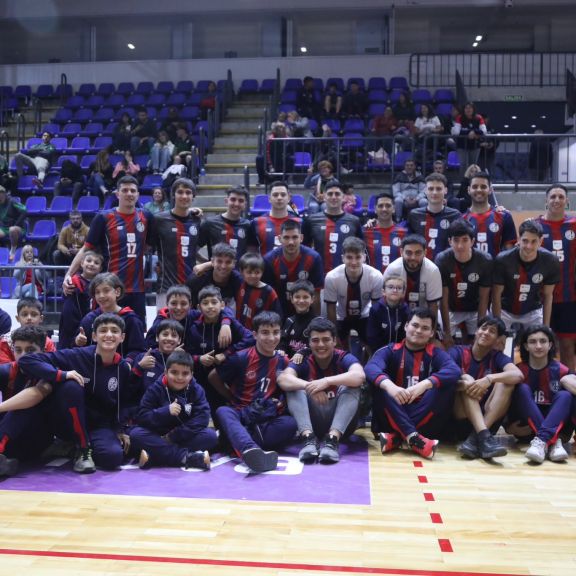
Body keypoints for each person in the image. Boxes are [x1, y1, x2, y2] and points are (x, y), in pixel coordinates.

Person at [18, 313, 137, 472]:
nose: (109, 335)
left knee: (113, 457)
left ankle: (71, 447)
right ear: (94, 336)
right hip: (66, 422)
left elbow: (122, 402)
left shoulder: (122, 368)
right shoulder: (76, 356)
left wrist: (119, 429)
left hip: (97, 426)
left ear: (122, 337)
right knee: (71, 386)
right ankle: (81, 448)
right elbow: (26, 361)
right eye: (103, 331)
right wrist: (62, 374)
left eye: (114, 331)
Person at [365, 307, 460, 458]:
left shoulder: (436, 354)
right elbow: (371, 368)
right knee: (381, 384)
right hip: (391, 413)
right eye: (415, 325)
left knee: (445, 385)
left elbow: (454, 371)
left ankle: (398, 438)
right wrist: (391, 387)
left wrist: (425, 384)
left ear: (431, 334)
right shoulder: (390, 350)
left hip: (424, 417)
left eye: (425, 328)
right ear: (406, 326)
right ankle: (414, 438)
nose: (418, 331)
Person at [210, 312, 297, 473]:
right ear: (255, 334)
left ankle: (236, 440)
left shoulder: (283, 361)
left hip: (264, 419)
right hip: (241, 414)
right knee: (223, 411)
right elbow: (213, 376)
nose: (271, 338)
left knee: (290, 424)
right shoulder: (241, 358)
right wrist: (230, 397)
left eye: (275, 332)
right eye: (265, 332)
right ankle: (249, 448)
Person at [63, 175, 154, 323]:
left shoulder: (147, 216)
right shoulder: (104, 218)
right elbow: (86, 249)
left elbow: (148, 245)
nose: (129, 194)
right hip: (110, 289)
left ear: (138, 194)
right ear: (117, 194)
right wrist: (68, 274)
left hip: (137, 290)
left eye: (133, 190)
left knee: (136, 335)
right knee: (107, 333)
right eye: (125, 190)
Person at [278, 317, 365, 464]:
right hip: (314, 423)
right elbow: (283, 379)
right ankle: (308, 439)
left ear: (334, 341)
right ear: (309, 343)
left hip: (343, 426)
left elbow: (359, 375)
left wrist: (326, 381)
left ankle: (332, 440)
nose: (321, 344)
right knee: (294, 386)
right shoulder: (303, 360)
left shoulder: (343, 357)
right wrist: (309, 386)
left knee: (353, 385)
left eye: (326, 339)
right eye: (315, 340)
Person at [449, 316, 523, 460]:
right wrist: (467, 383)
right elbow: (445, 379)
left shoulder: (498, 357)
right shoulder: (457, 351)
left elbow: (518, 375)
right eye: (483, 328)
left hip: (488, 420)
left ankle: (476, 438)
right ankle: (481, 437)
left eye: (492, 331)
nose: (486, 332)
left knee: (506, 382)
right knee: (467, 381)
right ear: (476, 332)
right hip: (461, 418)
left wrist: (489, 379)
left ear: (497, 339)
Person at [130, 350, 218, 470]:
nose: (179, 377)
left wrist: (173, 437)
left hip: (182, 436)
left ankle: (155, 456)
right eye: (174, 372)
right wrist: (165, 412)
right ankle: (187, 458)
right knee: (135, 435)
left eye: (185, 373)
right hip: (158, 434)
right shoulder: (155, 389)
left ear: (192, 374)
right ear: (166, 372)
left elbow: (202, 418)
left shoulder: (197, 390)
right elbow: (142, 416)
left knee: (210, 436)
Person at [513, 325, 576, 464]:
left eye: (543, 341)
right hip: (527, 429)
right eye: (533, 341)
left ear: (550, 345)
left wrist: (568, 381)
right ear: (526, 346)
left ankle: (542, 440)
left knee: (565, 395)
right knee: (521, 388)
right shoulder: (518, 371)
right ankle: (553, 443)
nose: (538, 345)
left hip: (559, 429)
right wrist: (507, 426)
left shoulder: (562, 370)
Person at [492, 219, 560, 331]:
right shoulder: (503, 260)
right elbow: (496, 295)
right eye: (525, 241)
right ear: (518, 240)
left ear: (541, 241)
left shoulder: (550, 261)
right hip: (505, 310)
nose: (528, 246)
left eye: (534, 241)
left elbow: (548, 296)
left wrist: (546, 327)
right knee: (499, 344)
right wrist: (497, 327)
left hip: (533, 311)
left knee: (538, 343)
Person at [536, 184, 576, 371]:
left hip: (569, 299)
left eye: (561, 197)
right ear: (546, 200)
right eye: (553, 197)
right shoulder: (535, 226)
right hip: (540, 299)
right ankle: (544, 387)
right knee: (541, 347)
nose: (557, 200)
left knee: (567, 347)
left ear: (567, 201)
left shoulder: (574, 225)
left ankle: (571, 392)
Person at [436, 219, 493, 346]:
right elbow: (443, 298)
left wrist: (480, 328)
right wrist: (446, 331)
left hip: (475, 309)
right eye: (456, 240)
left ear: (472, 241)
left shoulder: (485, 260)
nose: (460, 246)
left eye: (465, 240)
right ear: (450, 241)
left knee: (480, 343)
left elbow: (484, 298)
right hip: (450, 309)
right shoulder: (442, 260)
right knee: (442, 343)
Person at [324, 237, 382, 352]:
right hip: (340, 315)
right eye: (349, 257)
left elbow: (376, 309)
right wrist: (335, 338)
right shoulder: (332, 277)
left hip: (365, 315)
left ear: (364, 258)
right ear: (343, 258)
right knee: (334, 347)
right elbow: (330, 309)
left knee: (374, 344)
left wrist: (373, 336)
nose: (354, 262)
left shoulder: (376, 276)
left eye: (358, 257)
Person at [152, 178, 201, 308]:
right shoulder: (159, 219)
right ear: (173, 195)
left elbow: (195, 249)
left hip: (191, 287)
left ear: (193, 196)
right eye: (180, 192)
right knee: (164, 327)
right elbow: (147, 246)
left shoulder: (197, 220)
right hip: (166, 287)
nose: (184, 196)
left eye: (188, 192)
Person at [75, 272, 146, 360]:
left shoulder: (131, 319)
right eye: (97, 292)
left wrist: (127, 364)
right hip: (93, 369)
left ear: (117, 292)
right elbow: (78, 349)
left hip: (122, 370)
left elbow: (138, 350)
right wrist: (78, 342)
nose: (101, 295)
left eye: (106, 290)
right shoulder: (89, 318)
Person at [145, 284, 232, 354]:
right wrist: (168, 352)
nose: (178, 308)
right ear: (167, 303)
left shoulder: (193, 315)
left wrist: (225, 324)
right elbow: (148, 348)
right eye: (174, 303)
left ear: (190, 305)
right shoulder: (159, 323)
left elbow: (224, 310)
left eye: (183, 304)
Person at [263, 220, 324, 317]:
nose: (291, 242)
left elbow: (316, 295)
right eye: (286, 237)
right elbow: (268, 296)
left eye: (295, 237)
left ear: (301, 238)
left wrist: (315, 322)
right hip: (278, 312)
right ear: (279, 239)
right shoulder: (269, 260)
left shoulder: (313, 258)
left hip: (306, 312)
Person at [303, 180, 363, 277]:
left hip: (347, 276)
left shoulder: (354, 221)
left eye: (337, 194)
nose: (334, 197)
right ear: (324, 197)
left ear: (343, 197)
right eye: (330, 194)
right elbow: (304, 249)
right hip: (319, 276)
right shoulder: (311, 220)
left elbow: (361, 250)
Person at [383, 234, 443, 317]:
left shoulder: (433, 270)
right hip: (397, 314)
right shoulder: (392, 269)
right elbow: (385, 299)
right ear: (401, 252)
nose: (413, 257)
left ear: (425, 252)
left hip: (424, 315)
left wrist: (432, 329)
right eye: (408, 253)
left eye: (418, 253)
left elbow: (433, 305)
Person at [407, 173, 461, 260]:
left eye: (439, 189)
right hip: (419, 265)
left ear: (445, 190)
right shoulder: (414, 215)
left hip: (446, 266)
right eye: (431, 189)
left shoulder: (455, 215)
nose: (434, 192)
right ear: (425, 190)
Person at [463, 172, 517, 257]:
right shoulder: (462, 220)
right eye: (475, 187)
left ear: (490, 190)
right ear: (469, 190)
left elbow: (510, 252)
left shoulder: (504, 216)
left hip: (496, 269)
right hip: (470, 270)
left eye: (483, 187)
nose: (479, 190)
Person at [57, 250, 103, 350]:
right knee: (67, 344)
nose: (92, 264)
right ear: (81, 263)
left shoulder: (100, 286)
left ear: (100, 268)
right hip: (70, 319)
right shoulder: (71, 281)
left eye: (96, 263)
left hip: (87, 318)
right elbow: (65, 296)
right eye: (89, 261)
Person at [248, 181, 300, 255]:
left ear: (289, 198)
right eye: (275, 195)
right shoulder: (256, 223)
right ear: (269, 198)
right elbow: (252, 255)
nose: (279, 198)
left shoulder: (300, 222)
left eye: (283, 194)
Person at [131, 319, 185, 392]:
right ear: (157, 337)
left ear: (179, 340)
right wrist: (139, 367)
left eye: (174, 335)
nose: (169, 338)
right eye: (165, 334)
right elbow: (129, 389)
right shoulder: (143, 358)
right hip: (145, 402)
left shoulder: (183, 361)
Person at [198, 187, 250, 261]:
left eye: (241, 201)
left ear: (245, 204)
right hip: (215, 272)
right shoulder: (210, 223)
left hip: (239, 272)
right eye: (233, 199)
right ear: (226, 201)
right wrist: (208, 263)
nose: (236, 204)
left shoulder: (247, 225)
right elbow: (193, 250)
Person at [188, 243, 243, 311]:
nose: (223, 266)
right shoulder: (196, 280)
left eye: (228, 262)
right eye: (219, 261)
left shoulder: (239, 281)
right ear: (212, 262)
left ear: (234, 264)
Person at [0, 297, 56, 364]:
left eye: (34, 315)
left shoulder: (47, 342)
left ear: (41, 318)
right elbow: (4, 368)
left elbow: (52, 365)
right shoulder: (5, 341)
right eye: (24, 315)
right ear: (17, 318)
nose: (29, 318)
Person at [236, 253, 282, 331]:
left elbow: (277, 316)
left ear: (262, 272)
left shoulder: (269, 292)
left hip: (258, 335)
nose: (253, 275)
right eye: (249, 272)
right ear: (241, 272)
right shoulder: (240, 284)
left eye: (257, 272)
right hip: (239, 330)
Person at [363, 192, 408, 273]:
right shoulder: (365, 231)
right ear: (375, 209)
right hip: (372, 282)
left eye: (388, 206)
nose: (384, 209)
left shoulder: (404, 233)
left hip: (397, 282)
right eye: (380, 206)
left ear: (394, 209)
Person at [366, 274, 410, 353]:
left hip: (400, 351)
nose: (395, 290)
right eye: (390, 287)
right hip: (379, 351)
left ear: (403, 293)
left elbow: (406, 335)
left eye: (399, 288)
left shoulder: (406, 310)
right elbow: (372, 337)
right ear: (383, 292)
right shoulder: (375, 310)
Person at [279, 280, 317, 357]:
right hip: (289, 364)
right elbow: (283, 342)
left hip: (309, 364)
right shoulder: (289, 321)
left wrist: (303, 352)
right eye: (297, 297)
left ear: (312, 299)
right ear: (292, 299)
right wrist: (281, 350)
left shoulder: (317, 322)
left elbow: (317, 346)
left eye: (305, 297)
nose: (301, 301)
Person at [451, 102, 487, 175]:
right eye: (466, 108)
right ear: (464, 110)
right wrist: (469, 132)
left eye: (470, 108)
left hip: (475, 145)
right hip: (462, 145)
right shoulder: (460, 118)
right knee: (463, 165)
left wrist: (474, 132)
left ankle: (472, 182)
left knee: (473, 166)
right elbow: (456, 132)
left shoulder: (479, 118)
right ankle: (464, 182)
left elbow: (484, 131)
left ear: (473, 109)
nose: (468, 110)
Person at [0, 185, 26, 260]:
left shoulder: (12, 201)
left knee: (12, 229)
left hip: (18, 228)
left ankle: (13, 251)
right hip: (4, 228)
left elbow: (24, 211)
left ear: (4, 194)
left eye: (0, 195)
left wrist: (16, 224)